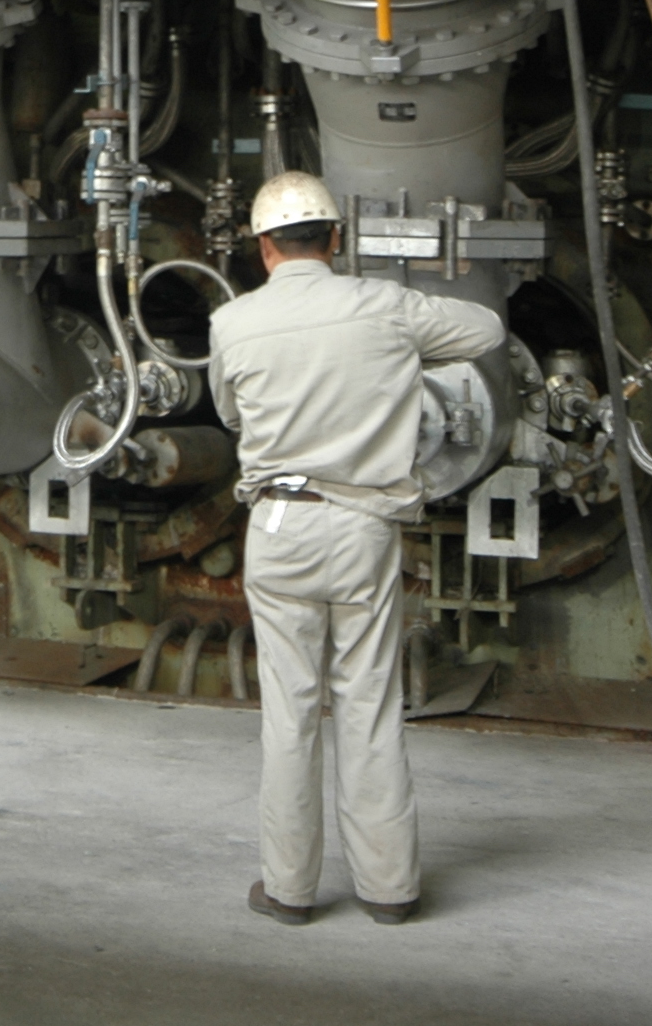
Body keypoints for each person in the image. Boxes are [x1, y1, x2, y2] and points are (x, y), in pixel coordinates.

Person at [208, 170, 507, 928]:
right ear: (336, 240)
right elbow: (486, 333)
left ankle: (288, 891)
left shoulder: (232, 322)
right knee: (369, 702)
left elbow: (229, 411)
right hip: (362, 527)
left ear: (263, 248)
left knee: (290, 710)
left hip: (278, 528)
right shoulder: (383, 306)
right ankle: (389, 890)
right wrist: (399, 358)